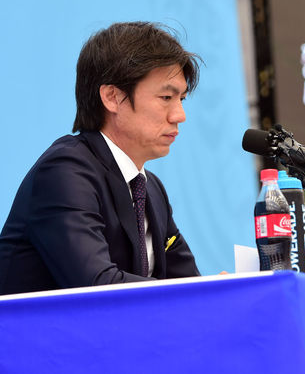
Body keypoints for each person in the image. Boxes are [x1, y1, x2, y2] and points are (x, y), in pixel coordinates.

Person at [0, 22, 201, 295]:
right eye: (166, 97)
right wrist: (194, 293)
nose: (179, 115)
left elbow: (187, 282)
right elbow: (98, 287)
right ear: (112, 97)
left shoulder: (151, 188)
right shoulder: (64, 173)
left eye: (182, 99)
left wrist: (219, 290)